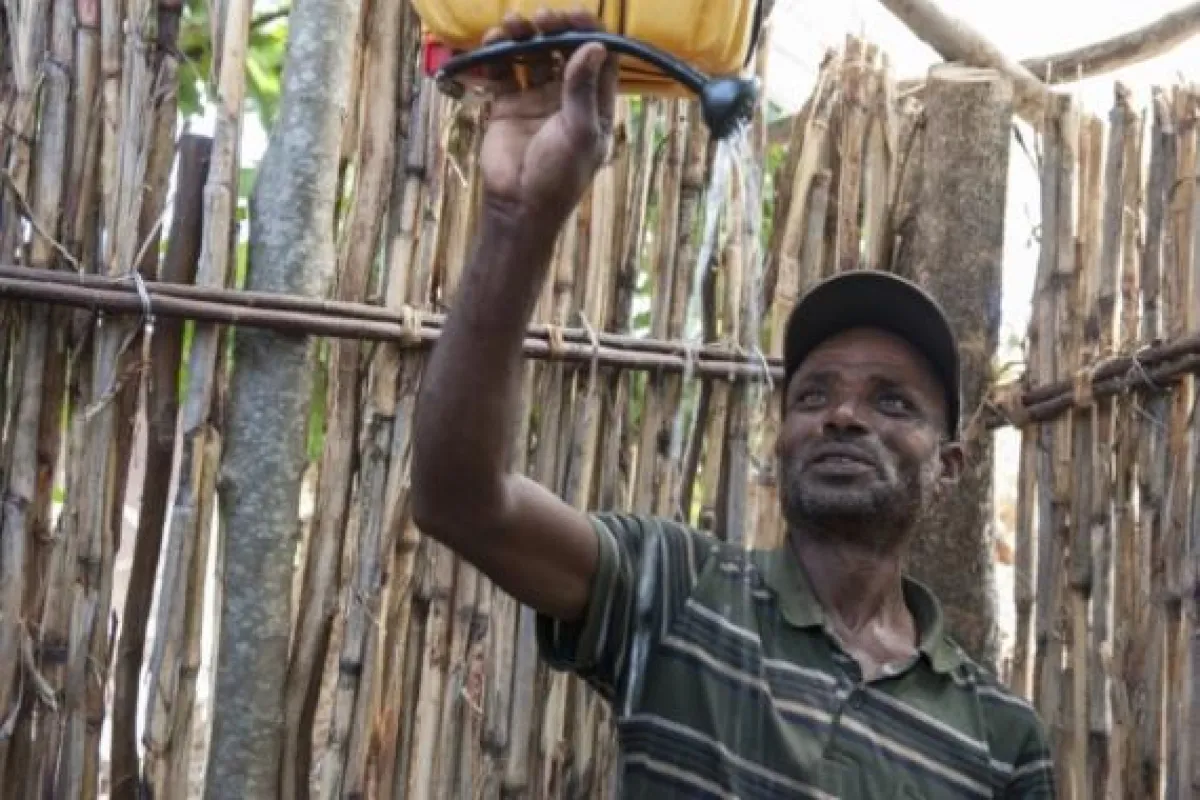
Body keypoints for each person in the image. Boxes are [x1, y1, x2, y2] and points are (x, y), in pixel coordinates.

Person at [411, 9, 1056, 798]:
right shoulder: (678, 588)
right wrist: (518, 218)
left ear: (948, 464)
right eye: (814, 394)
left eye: (891, 402)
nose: (843, 416)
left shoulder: (998, 739)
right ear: (780, 438)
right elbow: (459, 502)